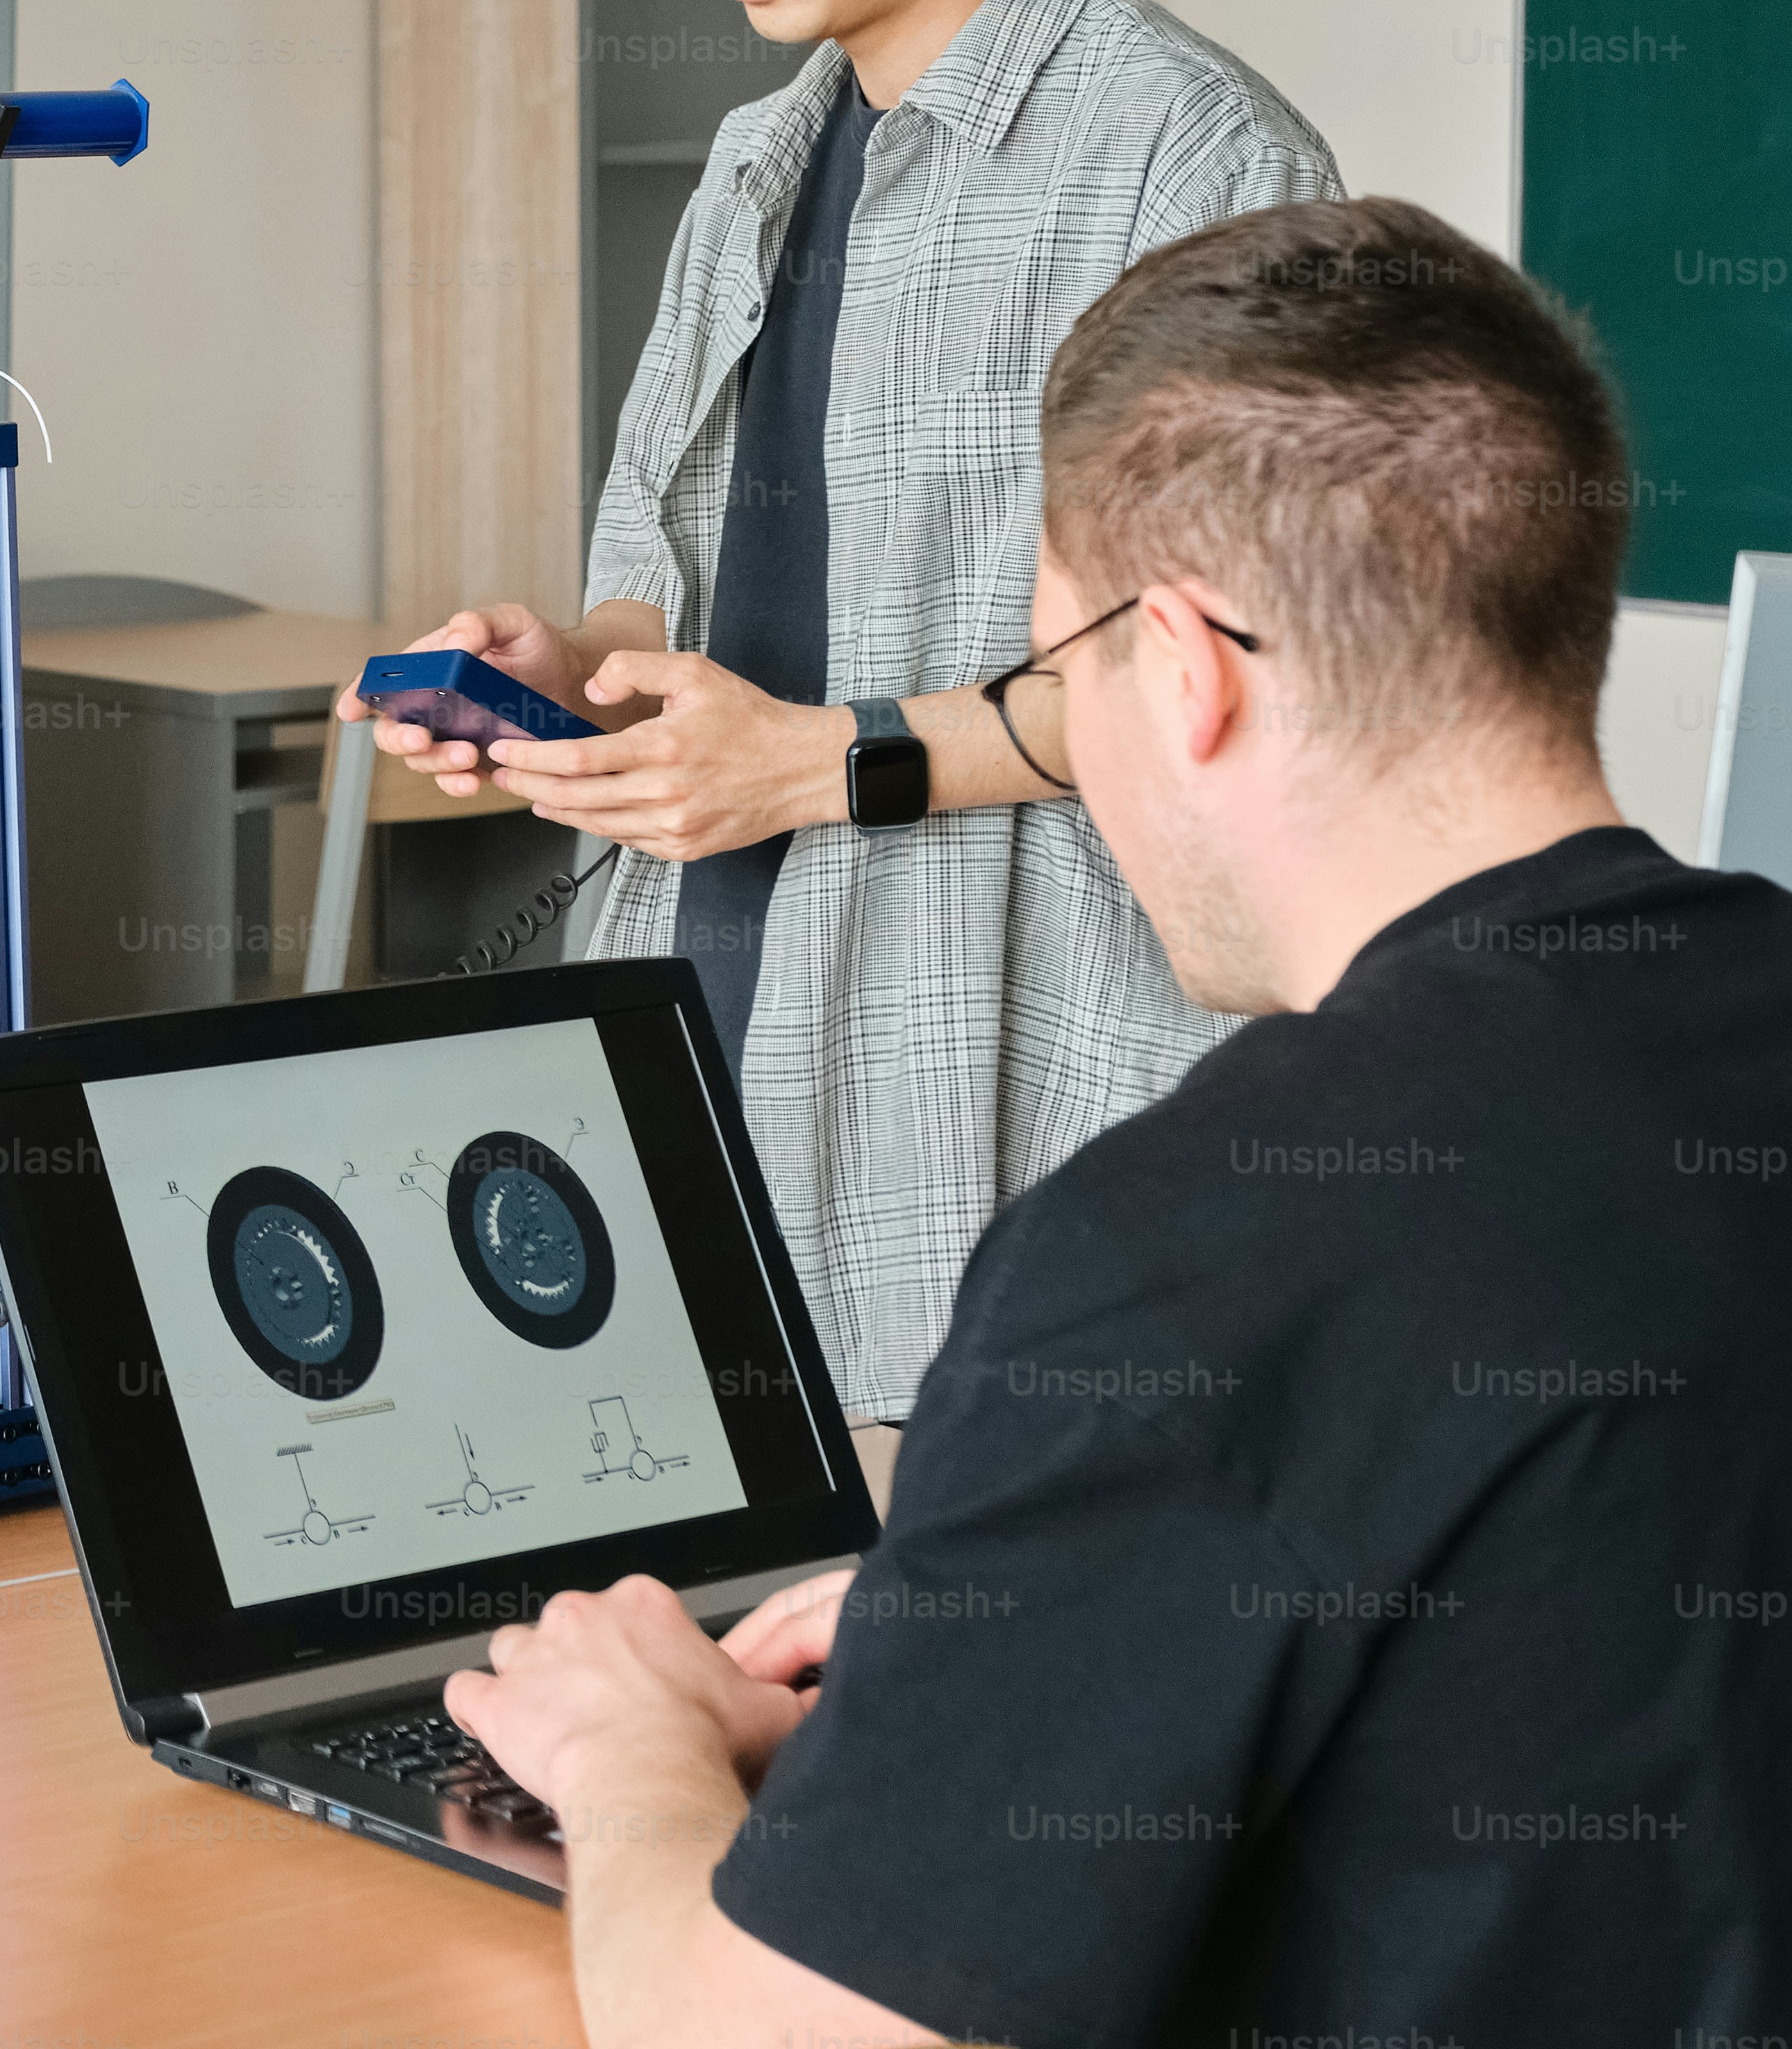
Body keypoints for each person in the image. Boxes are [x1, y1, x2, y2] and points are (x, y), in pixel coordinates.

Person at [445, 198, 1792, 2047]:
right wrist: (1034, 1612)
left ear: (1187, 665)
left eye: (1053, 681)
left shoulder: (1194, 1243)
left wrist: (627, 1752)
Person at [347, 0, 1338, 1417]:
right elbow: (667, 576)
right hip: (707, 1036)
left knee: (950, 1666)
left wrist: (826, 766)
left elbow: (1215, 666)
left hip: (1008, 1091)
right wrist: (564, 677)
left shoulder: (1194, 157)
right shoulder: (756, 160)